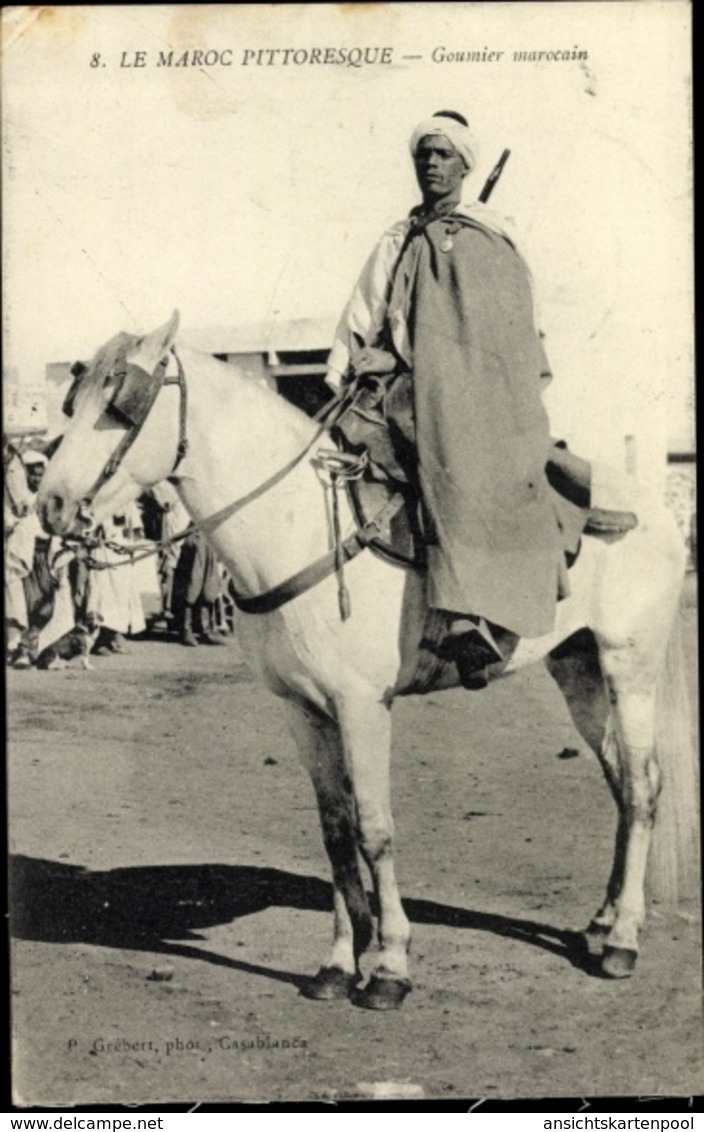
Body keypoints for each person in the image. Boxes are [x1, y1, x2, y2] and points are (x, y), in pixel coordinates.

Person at [327, 111, 565, 687]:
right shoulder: (398, 238)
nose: (431, 164)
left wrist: (438, 366)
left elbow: (509, 330)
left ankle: (469, 619)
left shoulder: (492, 233)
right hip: (403, 387)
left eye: (443, 155)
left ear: (465, 164)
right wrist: (366, 359)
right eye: (423, 155)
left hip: (479, 396)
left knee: (459, 455)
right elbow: (365, 318)